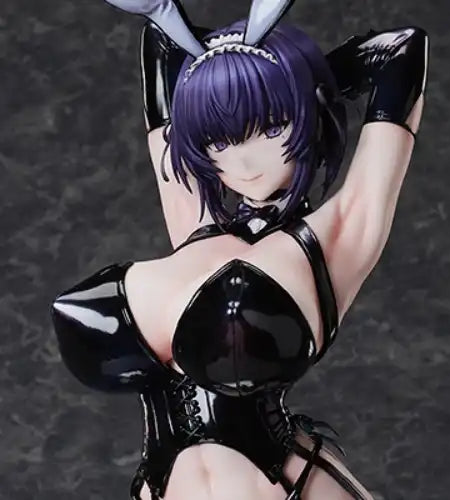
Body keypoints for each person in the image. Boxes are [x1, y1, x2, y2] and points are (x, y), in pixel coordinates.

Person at [51, 1, 429, 499]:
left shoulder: (336, 236)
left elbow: (399, 53)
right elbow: (162, 41)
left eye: (270, 129)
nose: (244, 162)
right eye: (218, 140)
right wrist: (226, 77)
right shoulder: (193, 218)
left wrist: (291, 84)